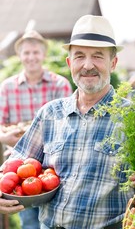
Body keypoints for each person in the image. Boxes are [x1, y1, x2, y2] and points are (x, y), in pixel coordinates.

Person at [0, 15, 135, 229]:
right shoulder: (50, 113)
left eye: (97, 56)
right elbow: (17, 162)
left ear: (113, 63)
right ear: (69, 63)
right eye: (79, 56)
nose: (87, 65)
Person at [0, 30, 72, 229]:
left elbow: (68, 127)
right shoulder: (7, 87)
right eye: (26, 53)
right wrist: (6, 137)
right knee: (30, 221)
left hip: (53, 166)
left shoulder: (60, 85)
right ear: (20, 56)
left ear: (43, 55)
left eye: (35, 52)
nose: (31, 57)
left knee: (56, 220)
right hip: (19, 169)